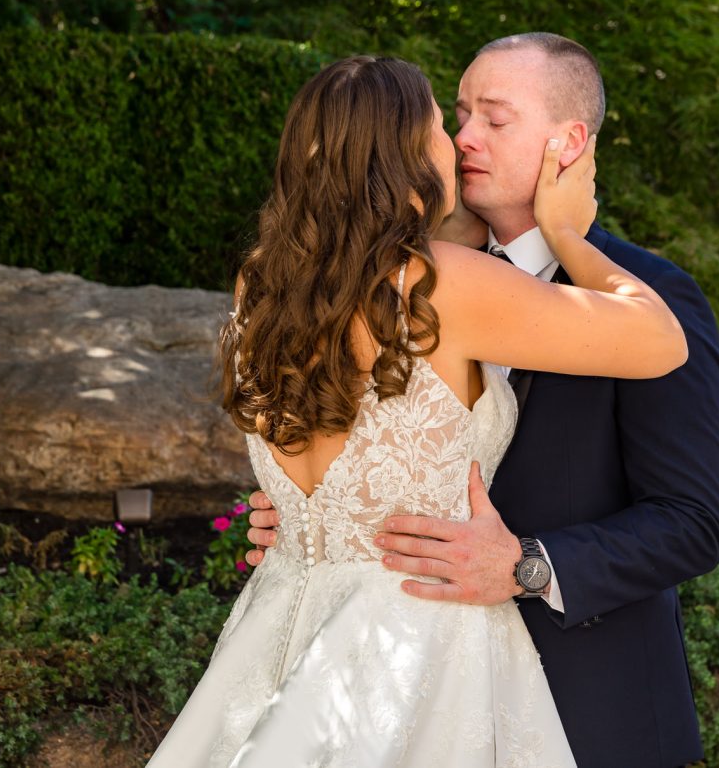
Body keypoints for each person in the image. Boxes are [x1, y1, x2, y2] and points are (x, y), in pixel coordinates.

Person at [147, 53, 688, 767]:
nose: (458, 142)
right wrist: (566, 232)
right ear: (402, 156)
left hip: (284, 619)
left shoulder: (264, 283)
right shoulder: (441, 283)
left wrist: (297, 512)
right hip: (417, 639)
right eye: (443, 124)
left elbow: (332, 465)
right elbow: (659, 340)